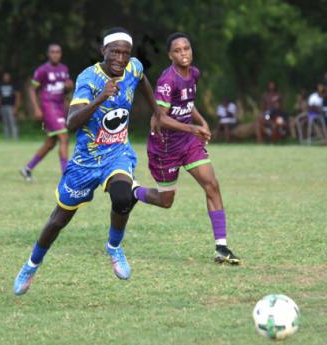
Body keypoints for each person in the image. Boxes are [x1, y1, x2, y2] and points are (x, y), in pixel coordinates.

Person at [14, 27, 167, 295]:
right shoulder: (89, 78)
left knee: (122, 198)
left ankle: (114, 247)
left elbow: (142, 79)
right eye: (115, 52)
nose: (120, 58)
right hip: (85, 162)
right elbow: (71, 122)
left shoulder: (133, 67)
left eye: (125, 53)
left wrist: (156, 111)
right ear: (103, 52)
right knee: (59, 219)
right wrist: (100, 98)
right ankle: (31, 265)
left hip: (117, 153)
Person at [132, 32, 241, 265]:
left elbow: (187, 104)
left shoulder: (194, 74)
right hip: (164, 148)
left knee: (212, 184)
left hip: (188, 143)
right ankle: (134, 191)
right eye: (178, 50)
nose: (184, 53)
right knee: (166, 201)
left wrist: (201, 122)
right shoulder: (166, 80)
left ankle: (221, 247)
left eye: (187, 48)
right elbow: (160, 118)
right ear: (170, 55)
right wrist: (193, 129)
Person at [19, 43, 74, 181]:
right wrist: (36, 108)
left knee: (50, 143)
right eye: (52, 52)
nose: (55, 54)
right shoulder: (42, 70)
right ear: (48, 54)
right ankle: (65, 175)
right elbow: (32, 89)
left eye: (58, 52)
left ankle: (27, 169)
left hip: (60, 107)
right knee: (64, 137)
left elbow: (65, 90)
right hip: (48, 106)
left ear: (60, 54)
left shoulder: (64, 69)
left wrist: (69, 88)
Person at [0, 72, 20, 139]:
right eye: (5, 76)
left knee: (13, 122)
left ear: (9, 77)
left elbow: (17, 96)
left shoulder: (13, 85)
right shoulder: (0, 85)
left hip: (11, 106)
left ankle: (15, 138)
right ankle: (6, 138)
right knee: (5, 123)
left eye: (7, 76)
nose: (6, 78)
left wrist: (16, 107)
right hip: (3, 106)